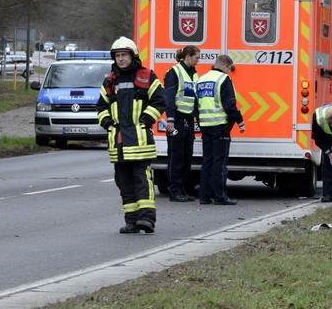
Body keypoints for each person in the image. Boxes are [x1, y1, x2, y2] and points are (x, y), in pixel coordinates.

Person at [97, 37, 165, 234]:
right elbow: (101, 106)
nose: (121, 59)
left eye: (124, 55)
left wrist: (145, 120)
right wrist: (107, 123)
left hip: (140, 141)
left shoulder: (146, 76)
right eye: (117, 56)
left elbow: (160, 101)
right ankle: (132, 221)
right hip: (118, 142)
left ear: (132, 56)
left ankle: (147, 219)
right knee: (124, 184)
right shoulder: (110, 80)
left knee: (142, 181)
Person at [196, 54, 245, 205]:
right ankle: (220, 197)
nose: (230, 71)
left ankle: (204, 197)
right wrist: (239, 121)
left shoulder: (201, 79)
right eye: (229, 68)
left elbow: (195, 105)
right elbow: (229, 104)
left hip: (205, 125)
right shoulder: (224, 79)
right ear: (224, 66)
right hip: (220, 126)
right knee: (219, 162)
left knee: (207, 162)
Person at [163, 46, 201, 201]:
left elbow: (196, 99)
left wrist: (199, 119)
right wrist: (170, 118)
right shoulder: (174, 72)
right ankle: (175, 190)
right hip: (177, 119)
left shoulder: (193, 74)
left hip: (188, 119)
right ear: (187, 57)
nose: (198, 60)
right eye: (196, 57)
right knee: (176, 157)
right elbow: (170, 96)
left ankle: (183, 189)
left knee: (187, 157)